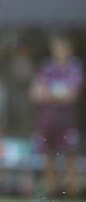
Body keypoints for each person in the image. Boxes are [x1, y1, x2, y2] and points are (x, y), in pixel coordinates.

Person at [30, 34, 83, 199]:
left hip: (66, 119)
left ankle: (72, 194)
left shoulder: (75, 67)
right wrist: (59, 93)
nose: (59, 51)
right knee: (48, 157)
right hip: (47, 119)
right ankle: (52, 193)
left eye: (62, 48)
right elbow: (35, 94)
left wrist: (49, 93)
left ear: (69, 49)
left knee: (70, 156)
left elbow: (72, 96)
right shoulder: (46, 67)